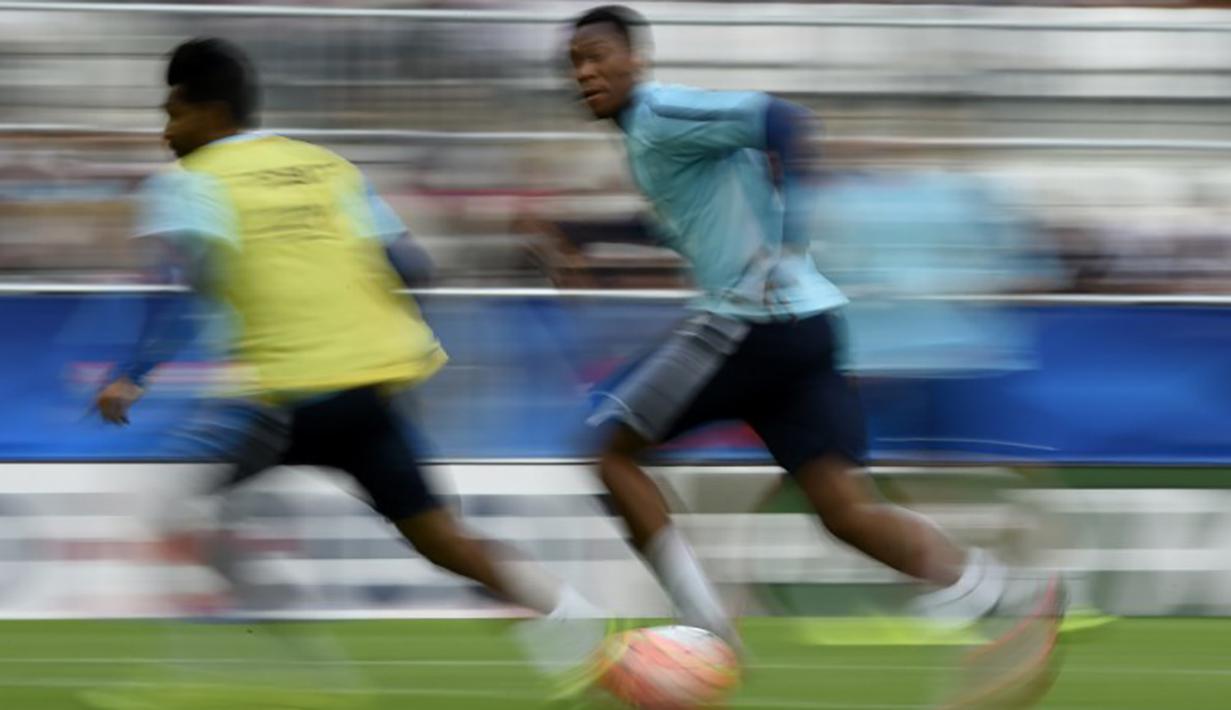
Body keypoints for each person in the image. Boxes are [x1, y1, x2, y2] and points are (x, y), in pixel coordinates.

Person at [92, 37, 602, 688]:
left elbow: (185, 295)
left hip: (295, 390)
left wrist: (133, 374)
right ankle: (570, 614)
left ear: (210, 111)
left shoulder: (193, 183)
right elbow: (412, 266)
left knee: (184, 519)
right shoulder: (325, 165)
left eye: (173, 113)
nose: (165, 132)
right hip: (374, 386)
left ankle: (291, 669)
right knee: (439, 540)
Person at [567, 6, 1064, 653]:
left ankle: (706, 627)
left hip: (750, 324)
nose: (584, 72)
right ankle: (1003, 592)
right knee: (843, 512)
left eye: (597, 56)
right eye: (575, 63)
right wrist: (577, 237)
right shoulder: (650, 140)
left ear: (636, 58)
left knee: (609, 455)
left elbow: (783, 119)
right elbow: (684, 219)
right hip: (807, 329)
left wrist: (792, 229)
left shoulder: (660, 114)